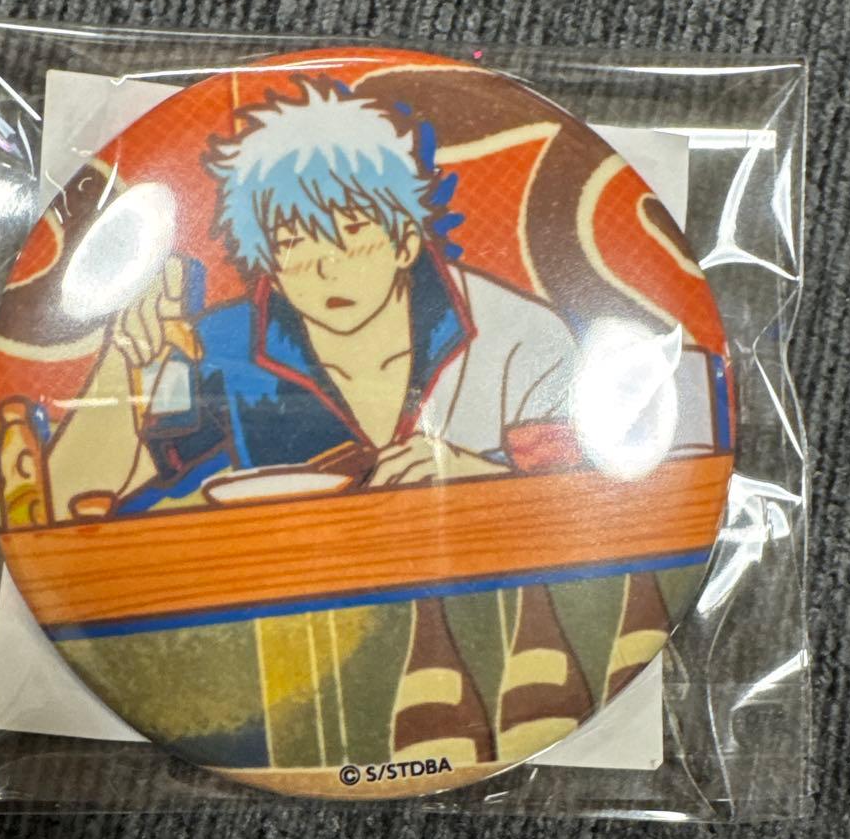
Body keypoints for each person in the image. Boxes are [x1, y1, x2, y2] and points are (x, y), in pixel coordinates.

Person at [46, 79, 581, 519]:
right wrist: (124, 358)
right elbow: (68, 500)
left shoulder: (518, 336)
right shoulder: (220, 348)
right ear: (270, 269)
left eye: (352, 231)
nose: (326, 267)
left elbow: (590, 503)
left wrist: (481, 482)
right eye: (292, 242)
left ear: (404, 240)